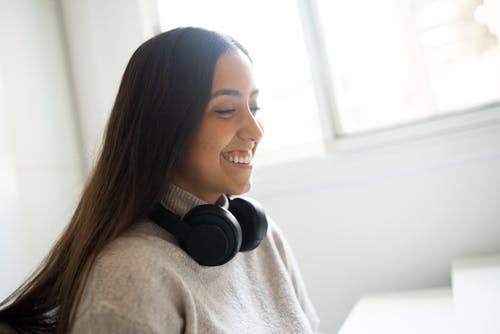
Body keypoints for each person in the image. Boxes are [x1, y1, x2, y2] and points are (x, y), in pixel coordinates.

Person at [0, 27, 320, 333]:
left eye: (254, 106)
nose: (255, 131)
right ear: (166, 127)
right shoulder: (130, 274)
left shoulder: (263, 240)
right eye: (225, 109)